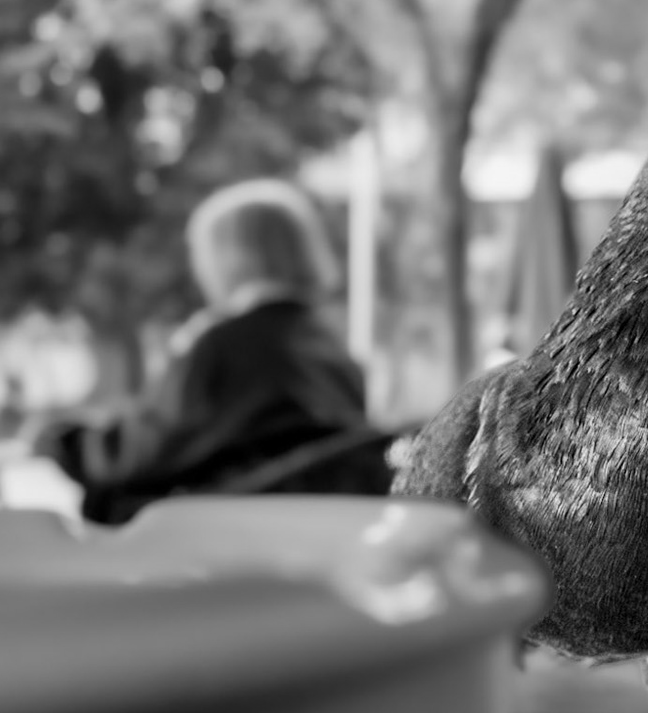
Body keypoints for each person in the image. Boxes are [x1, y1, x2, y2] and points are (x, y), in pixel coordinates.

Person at [33, 178, 389, 524]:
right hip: (321, 532)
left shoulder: (222, 346)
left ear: (229, 257)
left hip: (221, 540)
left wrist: (64, 442)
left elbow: (145, 451)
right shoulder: (333, 350)